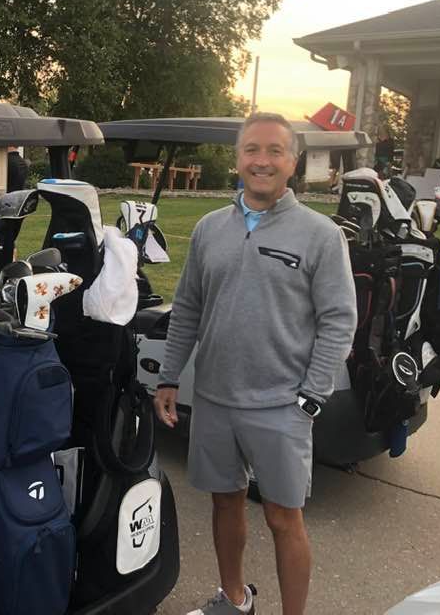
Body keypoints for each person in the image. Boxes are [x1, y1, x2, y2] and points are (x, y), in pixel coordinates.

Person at [154, 112, 357, 615]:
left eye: (274, 151)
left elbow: (339, 320)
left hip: (281, 405)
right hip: (214, 399)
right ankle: (234, 599)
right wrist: (169, 376)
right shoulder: (208, 229)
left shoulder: (319, 235)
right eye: (251, 150)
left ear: (293, 162)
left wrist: (312, 396)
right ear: (237, 159)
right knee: (225, 502)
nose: (261, 161)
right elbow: (188, 308)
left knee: (283, 519)